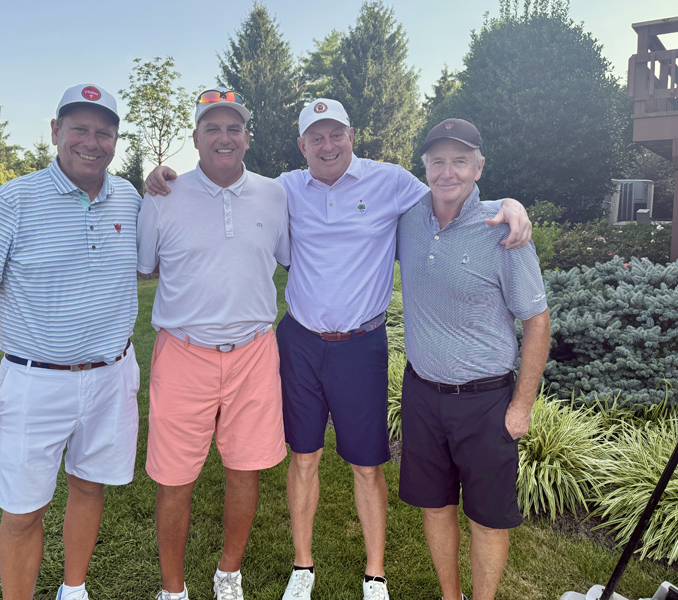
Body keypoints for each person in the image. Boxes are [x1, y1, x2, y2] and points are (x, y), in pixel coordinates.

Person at [145, 99, 532, 600]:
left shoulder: (390, 181)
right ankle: (302, 566)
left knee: (366, 465)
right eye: (316, 138)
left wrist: (508, 204)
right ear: (301, 145)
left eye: (336, 135)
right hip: (300, 341)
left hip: (361, 345)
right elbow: (231, 190)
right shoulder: (281, 189)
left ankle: (375, 573)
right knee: (303, 456)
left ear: (352, 136)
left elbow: (451, 194)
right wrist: (164, 178)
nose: (327, 146)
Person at [0, 84, 142, 600]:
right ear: (56, 132)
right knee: (22, 511)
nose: (91, 142)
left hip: (111, 376)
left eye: (104, 132)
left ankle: (73, 589)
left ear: (115, 140)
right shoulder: (14, 199)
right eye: (79, 128)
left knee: (90, 486)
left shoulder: (129, 197)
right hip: (35, 381)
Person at [137, 87, 290, 600]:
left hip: (254, 351)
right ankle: (173, 589)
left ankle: (229, 573)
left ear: (247, 136)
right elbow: (144, 264)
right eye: (212, 128)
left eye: (234, 128)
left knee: (245, 468)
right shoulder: (163, 195)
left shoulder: (274, 194)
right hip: (183, 352)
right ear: (196, 137)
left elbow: (285, 255)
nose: (224, 137)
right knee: (174, 476)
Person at [396, 118, 550, 600]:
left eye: (460, 161)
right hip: (422, 394)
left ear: (479, 167)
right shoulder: (407, 219)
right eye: (438, 161)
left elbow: (537, 321)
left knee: (487, 518)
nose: (448, 172)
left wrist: (521, 407)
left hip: (485, 402)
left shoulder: (503, 231)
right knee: (435, 506)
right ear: (424, 166)